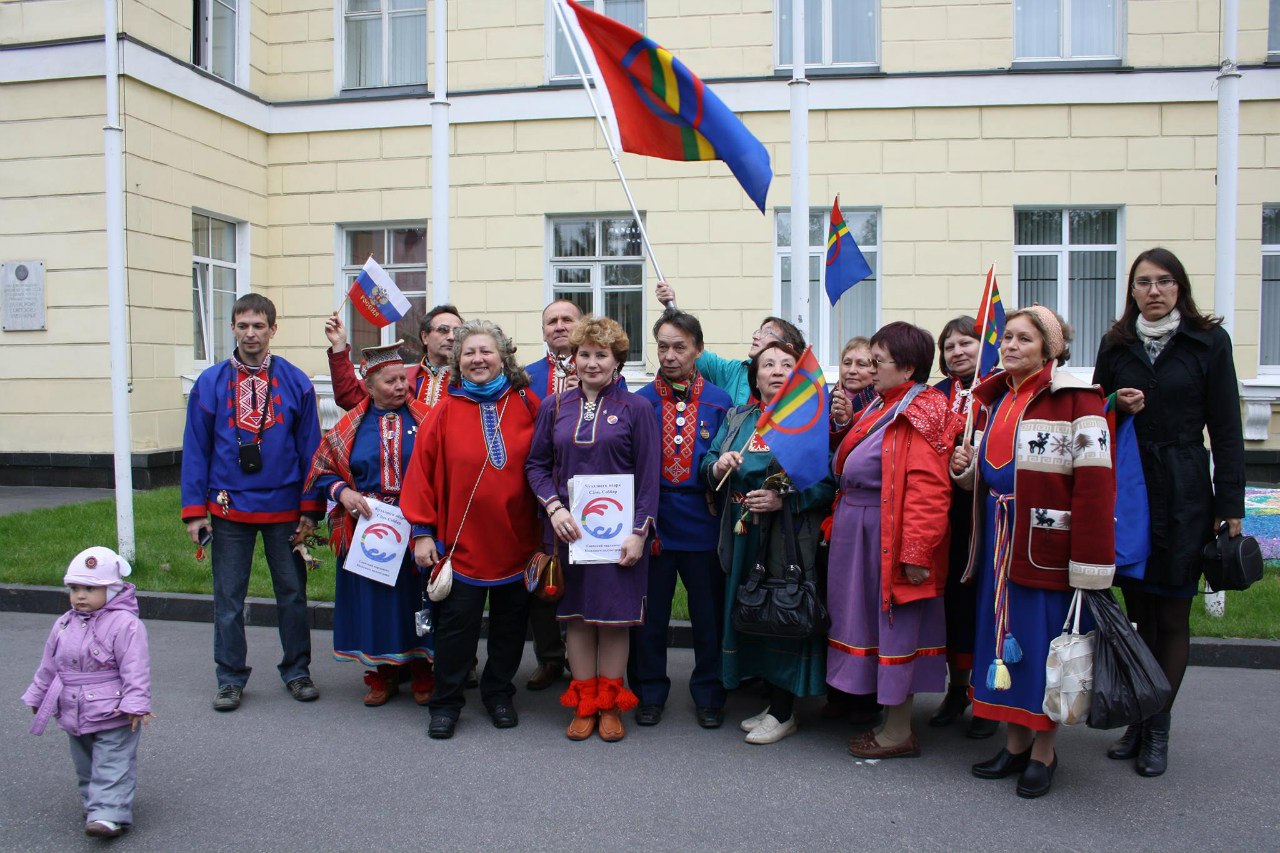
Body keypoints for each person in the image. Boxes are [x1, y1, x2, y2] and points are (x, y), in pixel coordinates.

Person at [1092, 247, 1245, 778]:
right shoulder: (1117, 344)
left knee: (1173, 614)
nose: (1153, 291)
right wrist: (1115, 403)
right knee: (1138, 613)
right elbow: (1093, 413)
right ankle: (1138, 713)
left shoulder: (1208, 342)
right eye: (1143, 282)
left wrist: (1231, 505)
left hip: (1184, 491)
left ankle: (1156, 727)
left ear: (1180, 288)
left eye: (1164, 282)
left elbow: (1226, 428)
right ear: (1131, 291)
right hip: (1131, 491)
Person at [951, 306, 1115, 799]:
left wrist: (1087, 565)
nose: (1010, 345)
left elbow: (1095, 486)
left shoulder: (1078, 400)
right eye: (1006, 337)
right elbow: (991, 471)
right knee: (1002, 641)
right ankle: (1015, 744)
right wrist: (966, 469)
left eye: (1023, 338)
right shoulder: (995, 398)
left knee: (1042, 646)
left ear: (1051, 346)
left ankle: (1044, 753)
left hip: (1046, 547)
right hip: (999, 541)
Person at [181, 293, 324, 712]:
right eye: (243, 325)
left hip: (285, 511)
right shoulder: (209, 383)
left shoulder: (296, 381)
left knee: (293, 595)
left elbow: (311, 450)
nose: (250, 334)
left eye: (259, 326)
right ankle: (229, 678)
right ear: (232, 329)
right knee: (228, 598)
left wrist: (310, 509)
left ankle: (297, 671)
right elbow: (195, 449)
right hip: (228, 509)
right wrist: (194, 511)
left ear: (273, 329)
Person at [401, 319, 543, 739]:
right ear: (458, 361)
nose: (478, 359)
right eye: (469, 353)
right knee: (456, 628)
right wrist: (422, 531)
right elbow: (421, 473)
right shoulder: (443, 410)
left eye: (486, 351)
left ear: (503, 356)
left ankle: (499, 694)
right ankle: (446, 703)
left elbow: (548, 462)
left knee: (510, 627)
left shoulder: (528, 403)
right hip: (460, 545)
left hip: (516, 541)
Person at [526, 316, 660, 742]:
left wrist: (639, 532)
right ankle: (584, 701)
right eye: (584, 354)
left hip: (620, 536)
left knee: (614, 620)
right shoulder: (553, 407)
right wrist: (553, 508)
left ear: (617, 361)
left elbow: (649, 478)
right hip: (570, 535)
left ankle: (610, 705)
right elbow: (536, 466)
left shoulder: (637, 408)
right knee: (578, 618)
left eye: (601, 355)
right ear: (574, 358)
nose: (591, 362)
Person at [826, 323, 952, 759]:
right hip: (862, 528)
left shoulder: (922, 409)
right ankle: (888, 718)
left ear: (909, 367)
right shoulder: (886, 403)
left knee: (897, 626)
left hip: (889, 534)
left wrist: (916, 553)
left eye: (879, 361)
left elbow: (929, 488)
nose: (871, 368)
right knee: (871, 624)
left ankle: (899, 731)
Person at [702, 340, 836, 745]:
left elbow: (826, 484)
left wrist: (784, 498)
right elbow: (707, 465)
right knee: (753, 612)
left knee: (781, 612)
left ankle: (784, 711)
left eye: (786, 364)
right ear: (754, 376)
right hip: (741, 533)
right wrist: (718, 464)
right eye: (768, 364)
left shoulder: (806, 421)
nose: (777, 370)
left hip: (786, 537)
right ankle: (771, 701)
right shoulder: (738, 417)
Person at [304, 343, 435, 707]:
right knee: (375, 601)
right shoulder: (349, 426)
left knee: (419, 598)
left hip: (417, 526)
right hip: (367, 528)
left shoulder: (428, 418)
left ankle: (424, 671)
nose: (401, 387)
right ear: (370, 385)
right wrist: (342, 492)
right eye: (390, 381)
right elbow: (321, 468)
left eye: (403, 380)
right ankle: (382, 673)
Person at [632, 308, 734, 729]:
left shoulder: (720, 401)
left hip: (704, 521)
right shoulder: (641, 401)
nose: (670, 355)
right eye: (662, 347)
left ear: (698, 350)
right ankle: (649, 693)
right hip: (654, 525)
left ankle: (709, 693)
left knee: (707, 618)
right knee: (650, 617)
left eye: (680, 347)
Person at [23, 547, 154, 839]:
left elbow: (136, 668)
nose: (80, 595)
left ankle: (108, 813)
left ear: (112, 590)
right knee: (84, 761)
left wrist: (136, 704)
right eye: (75, 588)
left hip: (114, 709)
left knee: (112, 759)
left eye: (90, 588)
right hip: (72, 707)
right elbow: (49, 665)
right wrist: (38, 695)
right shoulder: (64, 623)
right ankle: (93, 803)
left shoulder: (126, 625)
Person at [927, 316, 999, 739]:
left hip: (987, 514)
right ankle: (956, 690)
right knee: (952, 601)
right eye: (949, 345)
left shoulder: (1000, 391)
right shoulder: (937, 395)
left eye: (965, 343)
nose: (957, 351)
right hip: (945, 513)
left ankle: (987, 697)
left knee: (984, 603)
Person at [655, 281, 804, 406]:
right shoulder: (734, 371)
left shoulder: (805, 389)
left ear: (786, 348)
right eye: (758, 331)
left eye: (767, 332)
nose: (755, 337)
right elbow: (691, 351)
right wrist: (672, 307)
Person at [326, 304, 462, 411]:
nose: (451, 337)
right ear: (425, 337)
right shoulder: (402, 378)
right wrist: (339, 345)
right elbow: (349, 397)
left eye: (457, 332)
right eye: (443, 330)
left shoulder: (471, 381)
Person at [828, 336, 877, 440]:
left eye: (861, 364)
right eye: (847, 363)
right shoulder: (827, 399)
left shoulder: (879, 404)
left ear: (875, 369)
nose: (852, 370)